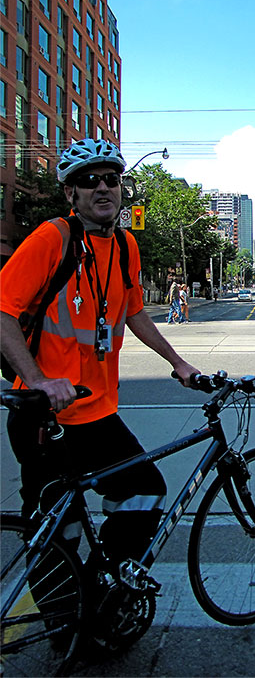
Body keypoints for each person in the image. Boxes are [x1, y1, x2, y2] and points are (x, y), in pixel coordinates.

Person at [0, 138, 200, 576]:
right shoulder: (53, 238)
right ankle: (64, 628)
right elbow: (1, 310)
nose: (103, 188)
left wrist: (177, 361)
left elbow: (133, 312)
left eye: (112, 179)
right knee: (59, 528)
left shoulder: (126, 245)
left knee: (143, 492)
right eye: (89, 181)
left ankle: (102, 594)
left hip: (97, 413)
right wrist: (37, 379)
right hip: (45, 416)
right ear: (71, 194)